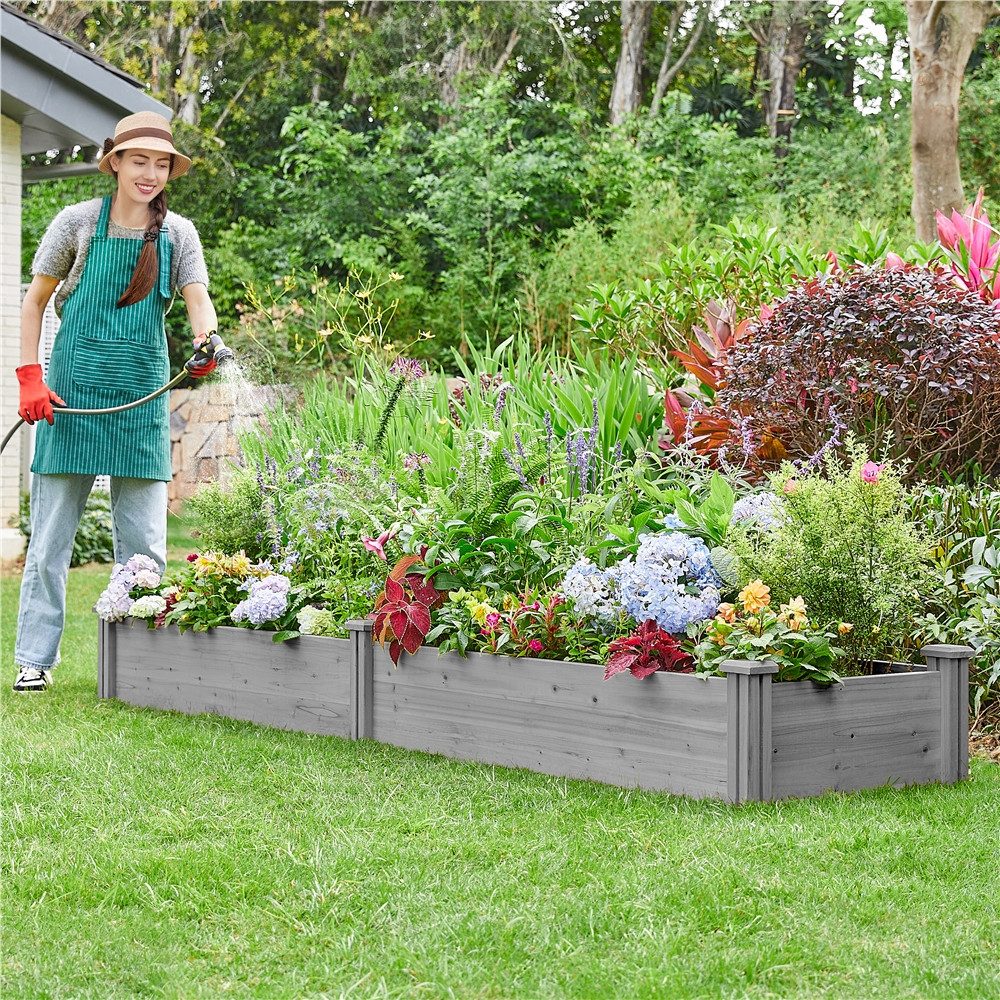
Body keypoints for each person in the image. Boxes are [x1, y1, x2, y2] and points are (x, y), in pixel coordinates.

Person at [12, 111, 218, 692]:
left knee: (146, 548)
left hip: (139, 398)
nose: (150, 173)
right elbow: (34, 304)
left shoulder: (178, 234)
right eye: (139, 161)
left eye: (161, 164)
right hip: (70, 395)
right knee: (51, 539)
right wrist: (29, 375)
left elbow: (199, 302)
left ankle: (140, 664)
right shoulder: (76, 224)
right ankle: (34, 659)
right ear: (115, 164)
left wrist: (207, 342)